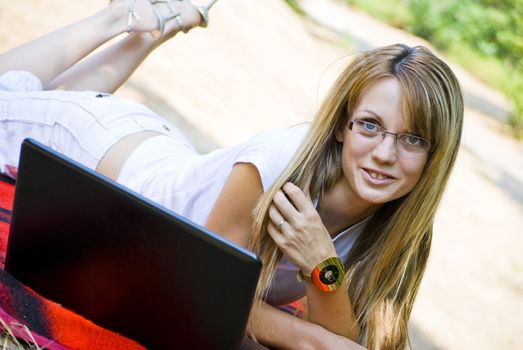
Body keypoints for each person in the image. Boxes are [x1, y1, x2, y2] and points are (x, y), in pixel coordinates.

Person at [0, 1, 464, 349]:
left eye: (413, 139)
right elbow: (198, 293)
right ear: (343, 124)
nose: (385, 154)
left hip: (159, 151)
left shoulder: (397, 232)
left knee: (39, 93)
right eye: (370, 125)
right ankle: (121, 17)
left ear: (433, 156)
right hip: (101, 149)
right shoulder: (281, 166)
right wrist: (314, 339)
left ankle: (148, 28)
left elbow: (340, 335)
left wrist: (323, 265)